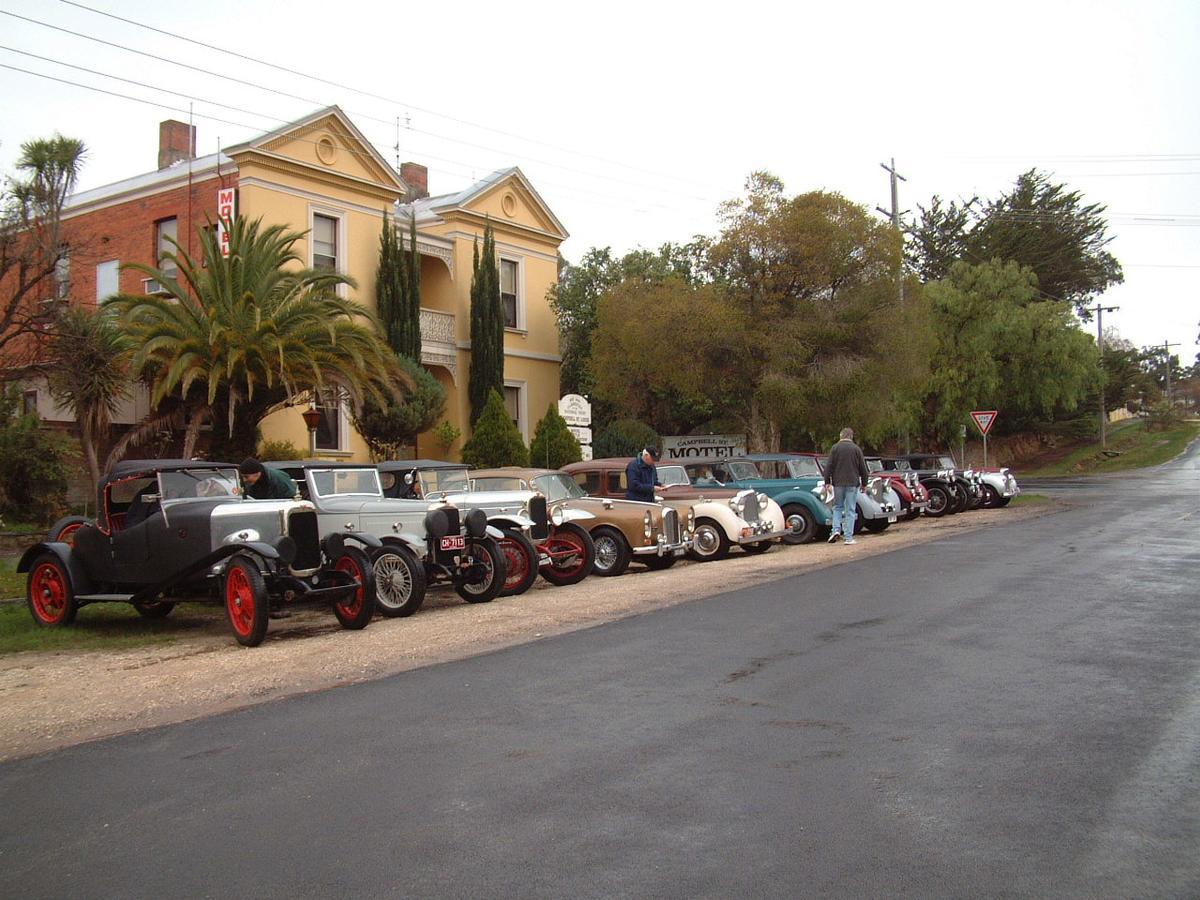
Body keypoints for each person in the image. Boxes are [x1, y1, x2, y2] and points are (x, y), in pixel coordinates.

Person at [825, 427, 869, 545]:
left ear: (841, 436)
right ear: (851, 436)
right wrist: (864, 483)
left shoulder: (835, 448)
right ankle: (848, 537)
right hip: (852, 483)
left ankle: (835, 530)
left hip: (838, 483)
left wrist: (827, 481)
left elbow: (829, 466)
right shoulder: (856, 449)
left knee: (837, 507)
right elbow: (863, 468)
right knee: (850, 509)